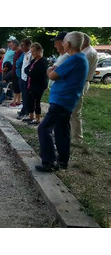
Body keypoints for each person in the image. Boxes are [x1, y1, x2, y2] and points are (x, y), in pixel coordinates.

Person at [36, 31, 88, 172]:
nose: (62, 44)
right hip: (67, 100)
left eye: (63, 42)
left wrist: (50, 69)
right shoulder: (80, 58)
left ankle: (50, 161)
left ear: (69, 44)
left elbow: (53, 74)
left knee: (44, 128)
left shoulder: (74, 59)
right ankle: (63, 160)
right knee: (62, 130)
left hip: (61, 100)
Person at [70, 33, 98, 143]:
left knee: (75, 112)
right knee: (72, 111)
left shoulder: (89, 53)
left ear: (84, 42)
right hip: (80, 82)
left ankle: (77, 138)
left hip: (81, 83)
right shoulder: (85, 52)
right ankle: (72, 134)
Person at [23, 43, 48, 125]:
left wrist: (30, 72)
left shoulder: (43, 61)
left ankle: (37, 119)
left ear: (39, 51)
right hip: (31, 84)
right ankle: (31, 116)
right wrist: (29, 72)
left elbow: (34, 73)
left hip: (38, 85)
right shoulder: (34, 60)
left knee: (36, 101)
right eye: (31, 51)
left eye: (33, 51)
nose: (32, 53)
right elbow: (26, 69)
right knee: (30, 100)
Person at [17, 38, 33, 120]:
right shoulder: (25, 54)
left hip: (27, 78)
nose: (21, 47)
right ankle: (24, 109)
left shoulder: (31, 54)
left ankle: (25, 111)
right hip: (23, 77)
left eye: (23, 45)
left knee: (26, 96)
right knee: (24, 95)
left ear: (28, 45)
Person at [9, 39, 24, 107]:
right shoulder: (15, 52)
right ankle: (17, 101)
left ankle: (15, 101)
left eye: (11, 45)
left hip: (18, 72)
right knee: (16, 86)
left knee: (17, 87)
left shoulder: (21, 52)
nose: (10, 46)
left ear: (15, 45)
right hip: (14, 71)